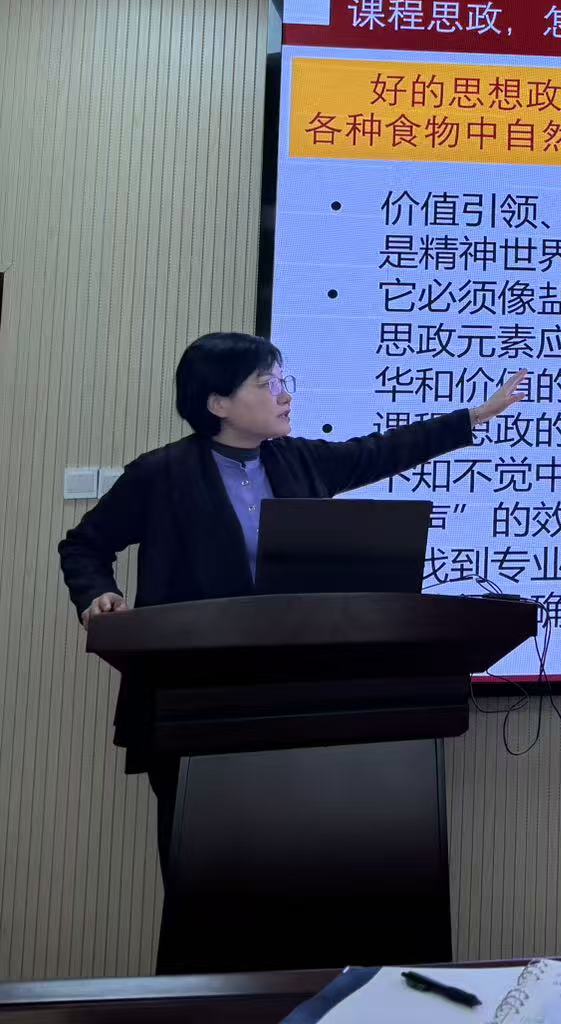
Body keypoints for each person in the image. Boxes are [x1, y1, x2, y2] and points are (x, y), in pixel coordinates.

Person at [58, 331, 527, 871]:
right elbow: (84, 545)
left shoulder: (299, 461)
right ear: (218, 403)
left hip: (297, 698)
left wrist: (474, 417)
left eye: (284, 382)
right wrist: (99, 594)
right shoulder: (161, 474)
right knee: (206, 868)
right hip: (195, 700)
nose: (286, 396)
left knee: (307, 860)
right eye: (268, 384)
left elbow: (380, 451)